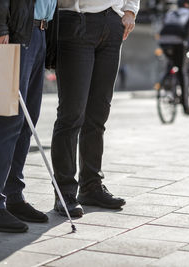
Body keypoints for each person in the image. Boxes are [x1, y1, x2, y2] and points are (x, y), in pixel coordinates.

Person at [0, 0, 57, 233]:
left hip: (38, 31)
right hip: (12, 31)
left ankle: (12, 196)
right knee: (5, 121)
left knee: (27, 122)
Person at [51, 0, 140, 218]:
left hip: (112, 22)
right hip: (76, 21)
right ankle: (64, 192)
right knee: (71, 115)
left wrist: (130, 10)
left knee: (98, 114)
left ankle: (91, 186)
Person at [159, 0, 189, 115]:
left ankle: (168, 83)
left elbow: (164, 25)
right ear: (187, 5)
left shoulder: (170, 13)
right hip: (178, 42)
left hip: (163, 41)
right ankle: (185, 106)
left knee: (171, 63)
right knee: (182, 71)